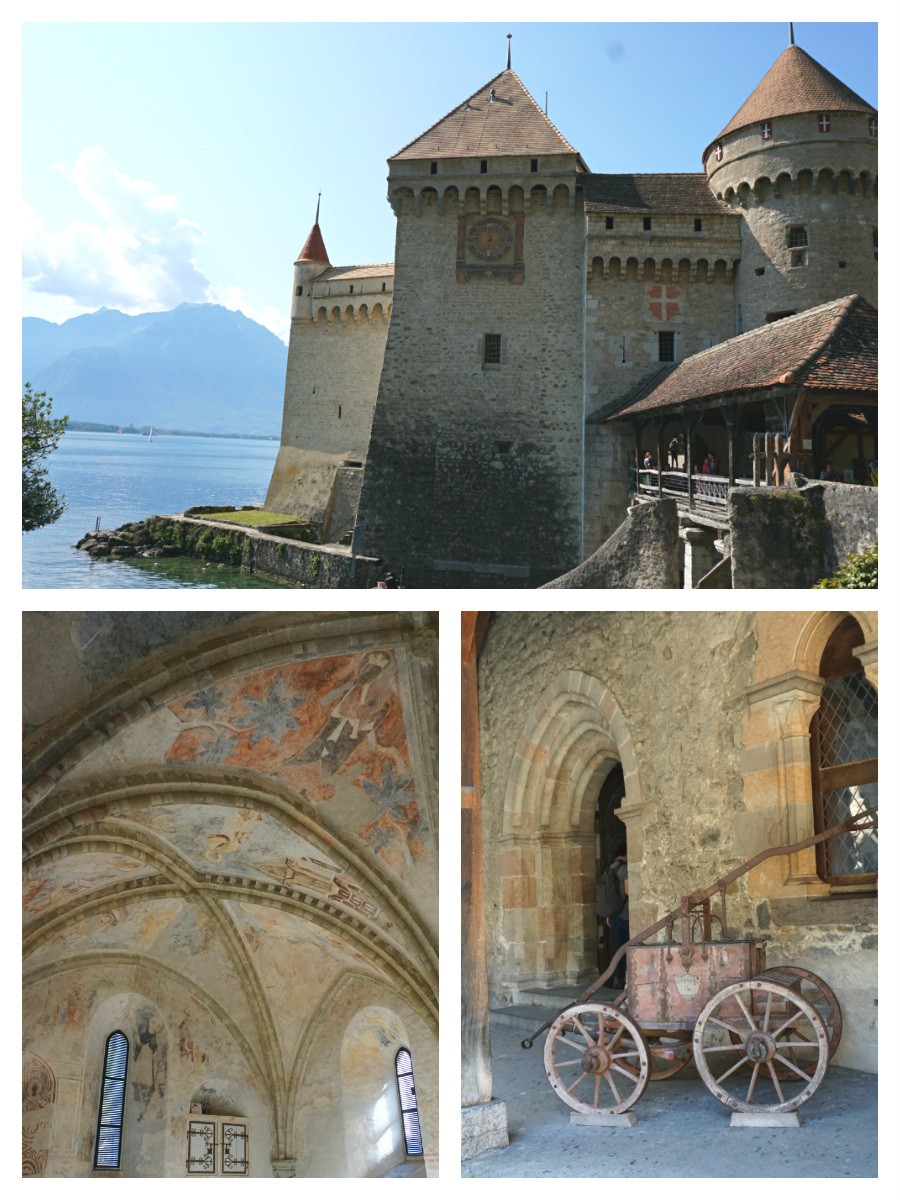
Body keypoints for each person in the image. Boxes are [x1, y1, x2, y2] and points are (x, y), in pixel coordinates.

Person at [606, 837, 629, 990]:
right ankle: (629, 978)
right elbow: (628, 890)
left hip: (614, 914)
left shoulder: (610, 868)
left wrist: (608, 914)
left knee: (619, 948)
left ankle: (618, 979)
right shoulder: (626, 868)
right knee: (631, 946)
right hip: (626, 914)